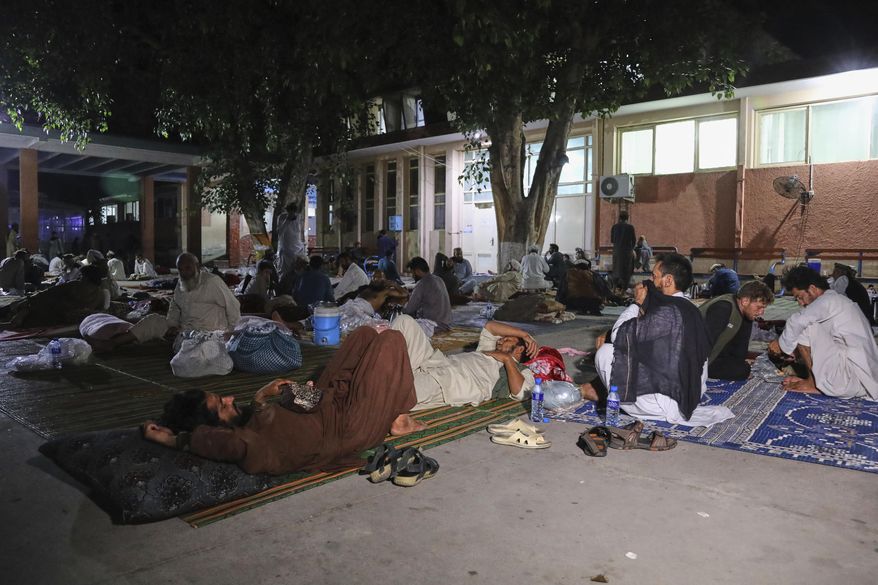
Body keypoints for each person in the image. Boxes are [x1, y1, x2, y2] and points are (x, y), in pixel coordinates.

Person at [141, 326, 426, 475]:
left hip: (328, 407)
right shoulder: (250, 445)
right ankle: (399, 416)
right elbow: (224, 443)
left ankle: (381, 400)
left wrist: (264, 396)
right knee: (390, 341)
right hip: (349, 426)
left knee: (363, 336)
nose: (229, 398)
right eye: (221, 405)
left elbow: (279, 415)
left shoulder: (250, 423)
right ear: (214, 426)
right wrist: (172, 440)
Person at [585, 253, 733, 426]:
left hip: (664, 404)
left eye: (654, 276)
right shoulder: (690, 309)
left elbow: (619, 336)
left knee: (606, 351)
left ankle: (620, 399)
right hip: (689, 397)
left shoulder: (668, 312)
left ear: (668, 280)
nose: (650, 281)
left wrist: (637, 303)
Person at [767, 266, 878, 399]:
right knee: (806, 325)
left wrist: (780, 345)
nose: (801, 303)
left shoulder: (828, 300)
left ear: (813, 289)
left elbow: (796, 322)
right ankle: (815, 380)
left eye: (800, 297)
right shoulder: (837, 300)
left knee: (805, 326)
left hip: (848, 381)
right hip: (861, 381)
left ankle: (813, 383)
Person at [392, 314, 537, 408]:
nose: (501, 339)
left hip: (449, 381)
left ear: (519, 350)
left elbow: (520, 392)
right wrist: (524, 334)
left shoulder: (522, 370)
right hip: (434, 361)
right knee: (404, 321)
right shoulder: (488, 349)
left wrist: (507, 359)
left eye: (507, 339)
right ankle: (391, 373)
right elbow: (490, 326)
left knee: (397, 391)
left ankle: (387, 380)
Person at [700, 281, 774, 380]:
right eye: (759, 307)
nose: (761, 312)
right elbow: (701, 344)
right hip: (698, 359)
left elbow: (740, 352)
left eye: (763, 308)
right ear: (745, 301)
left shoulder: (746, 315)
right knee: (741, 371)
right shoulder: (723, 308)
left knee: (743, 368)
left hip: (716, 355)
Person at [166, 253, 241, 348]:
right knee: (151, 322)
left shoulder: (212, 281)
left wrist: (229, 333)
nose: (184, 273)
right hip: (186, 333)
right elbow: (175, 305)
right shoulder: (181, 282)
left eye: (188, 268)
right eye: (180, 269)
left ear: (197, 266)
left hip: (211, 335)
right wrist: (172, 325)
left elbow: (233, 306)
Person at [0, 264, 108, 328]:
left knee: (22, 306)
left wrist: (27, 303)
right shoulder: (100, 293)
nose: (80, 278)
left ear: (87, 277)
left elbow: (48, 294)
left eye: (81, 276)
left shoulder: (76, 286)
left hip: (52, 313)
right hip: (56, 314)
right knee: (25, 303)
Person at [404, 256, 453, 331]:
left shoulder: (422, 283)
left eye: (412, 273)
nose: (413, 276)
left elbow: (409, 310)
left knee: (402, 324)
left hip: (433, 326)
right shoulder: (439, 279)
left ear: (417, 271)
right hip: (447, 324)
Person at [275, 201, 306, 284]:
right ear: (287, 211)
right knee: (285, 271)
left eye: (294, 212)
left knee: (297, 270)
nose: (292, 214)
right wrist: (287, 220)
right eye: (290, 212)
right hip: (286, 248)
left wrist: (302, 244)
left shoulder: (298, 217)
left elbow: (299, 232)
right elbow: (280, 232)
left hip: (296, 247)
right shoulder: (281, 217)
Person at [610, 211, 636, 291]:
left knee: (616, 269)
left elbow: (612, 240)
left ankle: (614, 289)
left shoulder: (614, 227)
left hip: (617, 252)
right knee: (626, 271)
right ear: (627, 218)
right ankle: (623, 291)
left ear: (619, 218)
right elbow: (634, 240)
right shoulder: (630, 227)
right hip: (627, 253)